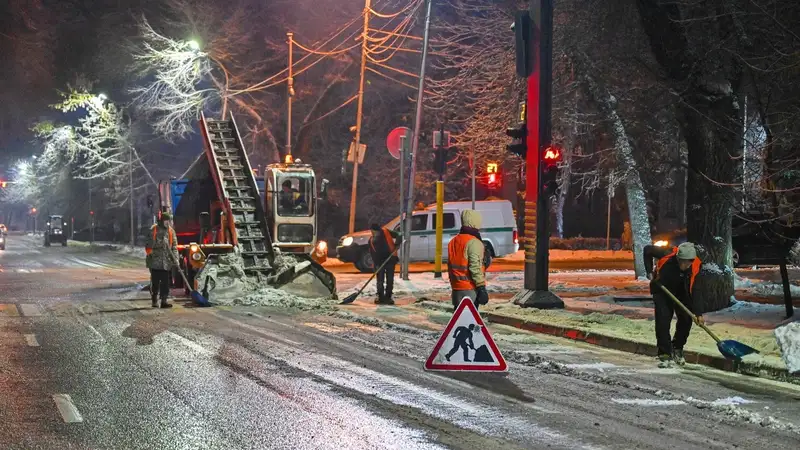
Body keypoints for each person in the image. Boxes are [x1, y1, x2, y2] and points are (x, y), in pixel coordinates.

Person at [644, 241, 704, 367]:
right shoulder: (667, 254)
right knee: (663, 320)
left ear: (692, 261)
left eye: (687, 262)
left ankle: (677, 348)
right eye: (681, 261)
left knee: (686, 319)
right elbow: (647, 250)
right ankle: (665, 353)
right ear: (677, 257)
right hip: (662, 290)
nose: (683, 264)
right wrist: (649, 271)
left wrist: (698, 313)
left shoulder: (696, 267)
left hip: (682, 292)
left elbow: (697, 290)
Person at [448, 209, 488, 310]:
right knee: (470, 322)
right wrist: (481, 287)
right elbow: (475, 267)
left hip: (456, 289)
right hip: (470, 289)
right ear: (475, 222)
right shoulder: (474, 242)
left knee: (459, 321)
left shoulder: (453, 241)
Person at [145, 212, 179, 308]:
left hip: (166, 262)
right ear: (161, 221)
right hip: (155, 261)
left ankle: (164, 300)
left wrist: (176, 258)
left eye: (169, 221)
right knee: (155, 282)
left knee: (165, 283)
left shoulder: (171, 232)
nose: (167, 223)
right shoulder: (154, 230)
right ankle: (154, 299)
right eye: (166, 221)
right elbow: (148, 246)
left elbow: (174, 247)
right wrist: (160, 243)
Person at [369, 223, 401, 305]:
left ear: (377, 230)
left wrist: (397, 244)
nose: (372, 233)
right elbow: (373, 255)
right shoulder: (372, 240)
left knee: (389, 279)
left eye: (373, 231)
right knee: (380, 280)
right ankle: (380, 297)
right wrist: (375, 266)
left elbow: (399, 234)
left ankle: (388, 297)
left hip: (390, 260)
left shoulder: (386, 231)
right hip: (380, 262)